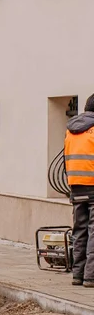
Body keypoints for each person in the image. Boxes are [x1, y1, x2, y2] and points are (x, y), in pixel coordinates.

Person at [65, 94, 94, 286]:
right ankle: (91, 277)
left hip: (76, 186)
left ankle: (77, 274)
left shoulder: (71, 129)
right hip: (93, 185)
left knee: (80, 231)